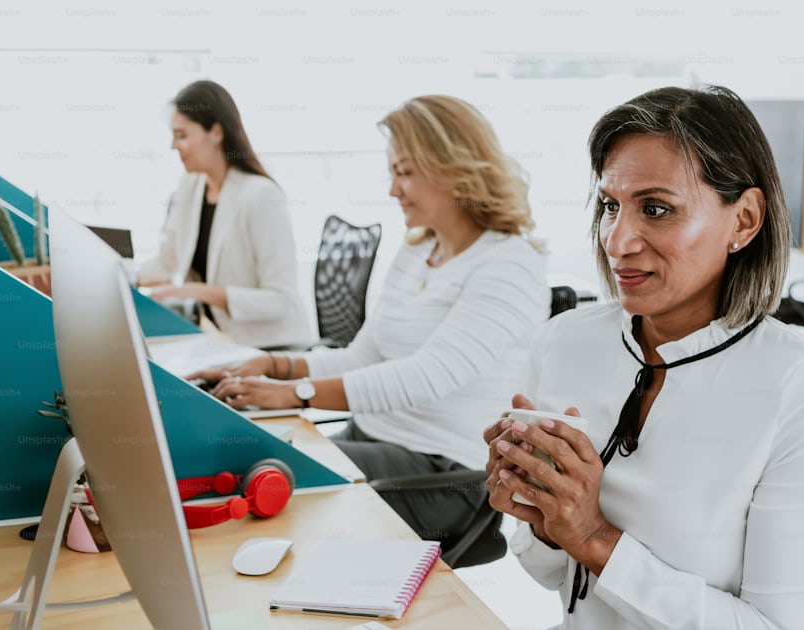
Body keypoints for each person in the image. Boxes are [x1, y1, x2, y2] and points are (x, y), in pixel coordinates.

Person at [483, 86, 804, 628]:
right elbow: (548, 575)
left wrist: (595, 537)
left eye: (656, 209)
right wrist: (545, 518)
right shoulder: (564, 342)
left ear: (744, 221)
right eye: (611, 206)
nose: (617, 241)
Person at [191, 95, 550, 553]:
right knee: (240, 454)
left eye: (404, 173)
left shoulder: (509, 264)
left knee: (256, 469)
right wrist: (272, 365)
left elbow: (426, 377)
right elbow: (362, 356)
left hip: (441, 476)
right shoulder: (419, 249)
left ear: (454, 169)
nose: (393, 190)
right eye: (392, 173)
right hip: (374, 442)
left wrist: (294, 393)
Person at [139, 80, 309, 347]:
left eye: (182, 135)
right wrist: (117, 275)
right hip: (216, 341)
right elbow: (167, 262)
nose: (173, 145)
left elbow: (280, 301)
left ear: (216, 132)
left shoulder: (260, 196)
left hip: (269, 349)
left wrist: (198, 292)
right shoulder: (190, 186)